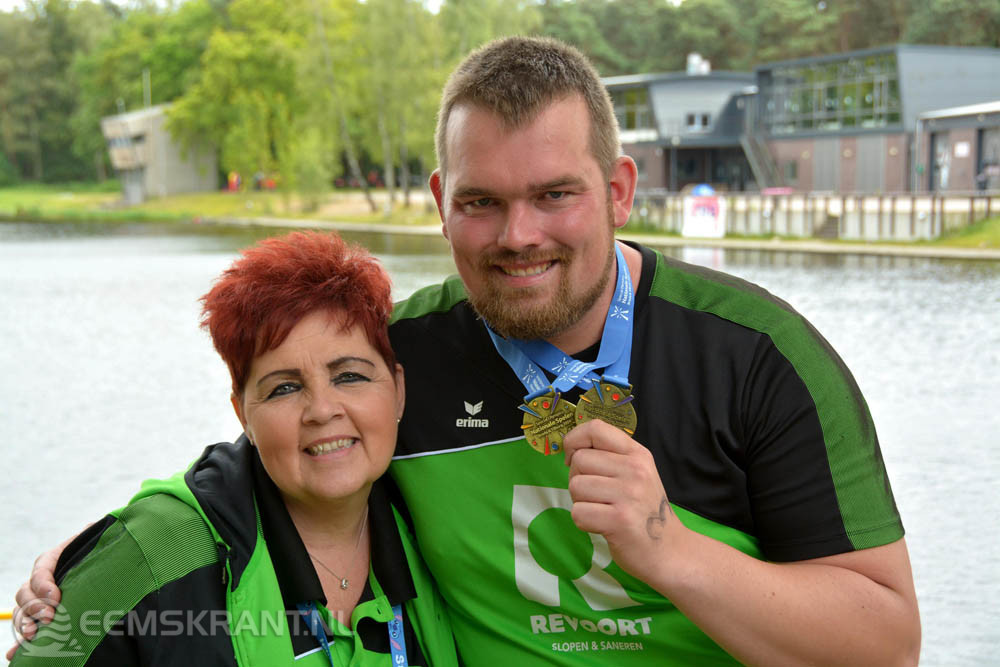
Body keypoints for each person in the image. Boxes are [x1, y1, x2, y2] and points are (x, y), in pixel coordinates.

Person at [12, 36, 920, 665]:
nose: (518, 235)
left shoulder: (757, 358)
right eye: (481, 201)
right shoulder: (396, 360)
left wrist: (668, 547)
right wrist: (94, 559)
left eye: (555, 194)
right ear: (441, 200)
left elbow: (886, 642)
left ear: (619, 190)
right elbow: (273, 454)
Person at [9, 231, 458, 666]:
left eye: (350, 376)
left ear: (397, 390)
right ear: (243, 414)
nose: (322, 410)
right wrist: (98, 552)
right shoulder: (160, 549)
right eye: (284, 388)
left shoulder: (437, 523)